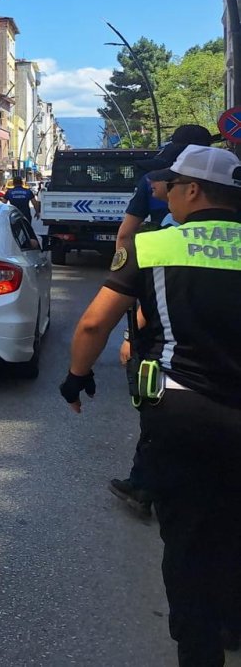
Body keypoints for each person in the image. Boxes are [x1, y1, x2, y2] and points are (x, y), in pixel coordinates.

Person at [60, 145, 241, 667]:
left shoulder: (155, 244)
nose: (167, 195)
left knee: (188, 540)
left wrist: (76, 379)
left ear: (194, 191)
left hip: (183, 413)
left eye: (174, 186)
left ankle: (200, 651)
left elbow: (93, 323)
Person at [108, 124, 212, 516]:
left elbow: (126, 235)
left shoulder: (161, 235)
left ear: (187, 186)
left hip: (162, 299)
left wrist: (124, 281)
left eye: (163, 179)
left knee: (160, 398)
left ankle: (146, 485)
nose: (155, 185)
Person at [116, 125, 214, 250]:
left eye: (167, 176)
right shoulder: (222, 182)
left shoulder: (148, 182)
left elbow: (125, 235)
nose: (154, 181)